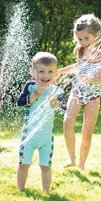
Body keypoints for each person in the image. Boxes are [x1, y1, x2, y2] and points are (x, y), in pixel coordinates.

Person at [57, 14, 101, 171]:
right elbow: (77, 67)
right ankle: (72, 159)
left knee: (87, 131)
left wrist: (90, 79)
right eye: (80, 39)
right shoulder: (80, 50)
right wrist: (60, 72)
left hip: (93, 96)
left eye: (86, 38)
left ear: (97, 34)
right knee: (67, 122)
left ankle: (81, 165)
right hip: (77, 91)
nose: (83, 42)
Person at [17, 52, 66, 193]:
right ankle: (20, 190)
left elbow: (63, 107)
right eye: (42, 71)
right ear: (33, 73)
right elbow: (20, 102)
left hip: (47, 139)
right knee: (23, 164)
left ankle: (46, 191)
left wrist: (55, 102)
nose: (46, 75)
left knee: (46, 166)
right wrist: (35, 95)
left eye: (50, 72)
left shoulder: (56, 90)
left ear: (56, 74)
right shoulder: (30, 87)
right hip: (28, 138)